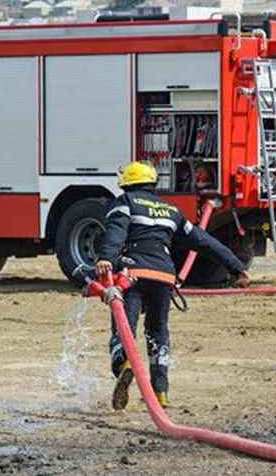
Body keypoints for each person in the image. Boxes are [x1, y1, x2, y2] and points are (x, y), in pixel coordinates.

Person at [95, 161, 250, 410]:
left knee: (124, 327)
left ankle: (124, 365)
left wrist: (106, 258)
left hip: (132, 274)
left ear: (127, 183)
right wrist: (236, 267)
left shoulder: (125, 202)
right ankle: (160, 392)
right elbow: (203, 241)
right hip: (164, 278)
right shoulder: (170, 210)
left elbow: (116, 232)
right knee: (158, 333)